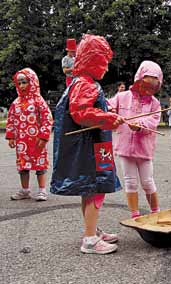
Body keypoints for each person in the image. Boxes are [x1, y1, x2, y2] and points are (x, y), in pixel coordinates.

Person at [51, 34, 124, 254]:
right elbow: (81, 112)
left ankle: (92, 229)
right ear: (93, 59)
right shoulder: (85, 83)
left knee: (90, 190)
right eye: (104, 61)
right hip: (90, 148)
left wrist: (108, 113)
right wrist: (108, 118)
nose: (107, 67)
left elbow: (87, 110)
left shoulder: (81, 82)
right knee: (95, 188)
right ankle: (90, 239)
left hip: (93, 146)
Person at [108, 60, 163, 219]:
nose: (147, 90)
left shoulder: (155, 104)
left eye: (152, 88)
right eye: (145, 85)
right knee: (130, 182)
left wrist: (140, 125)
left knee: (147, 182)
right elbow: (108, 107)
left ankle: (155, 212)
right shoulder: (122, 96)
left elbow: (153, 122)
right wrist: (111, 114)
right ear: (137, 80)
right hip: (125, 148)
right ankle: (135, 215)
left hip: (144, 149)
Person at [5, 68, 53, 201]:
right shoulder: (16, 103)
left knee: (40, 166)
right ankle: (25, 190)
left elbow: (47, 119)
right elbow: (11, 120)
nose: (22, 86)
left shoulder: (39, 101)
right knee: (23, 167)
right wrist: (10, 136)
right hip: (22, 143)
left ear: (32, 82)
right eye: (19, 83)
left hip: (37, 141)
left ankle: (42, 190)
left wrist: (44, 136)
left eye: (24, 82)